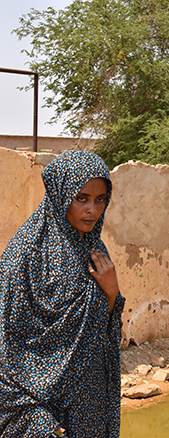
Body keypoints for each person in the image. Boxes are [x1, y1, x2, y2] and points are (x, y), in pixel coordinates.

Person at [0, 151, 124, 438]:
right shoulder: (24, 257)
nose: (92, 209)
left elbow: (100, 330)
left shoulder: (94, 249)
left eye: (100, 199)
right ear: (59, 194)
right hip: (45, 416)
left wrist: (111, 292)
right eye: (81, 198)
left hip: (90, 408)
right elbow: (6, 349)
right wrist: (43, 426)